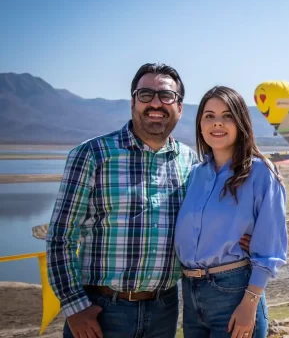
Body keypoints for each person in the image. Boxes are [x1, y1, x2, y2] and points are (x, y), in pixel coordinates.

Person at [46, 63, 252, 338]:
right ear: (132, 102)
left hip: (164, 310)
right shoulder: (92, 155)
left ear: (179, 107)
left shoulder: (191, 163)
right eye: (145, 94)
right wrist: (74, 306)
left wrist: (243, 236)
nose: (156, 103)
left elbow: (205, 224)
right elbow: (61, 237)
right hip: (101, 311)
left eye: (166, 96)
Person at [174, 86, 288, 338]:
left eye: (227, 116)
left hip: (234, 292)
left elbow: (271, 248)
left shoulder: (261, 173)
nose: (217, 123)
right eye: (209, 116)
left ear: (241, 123)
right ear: (200, 124)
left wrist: (249, 304)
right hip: (190, 295)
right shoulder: (194, 174)